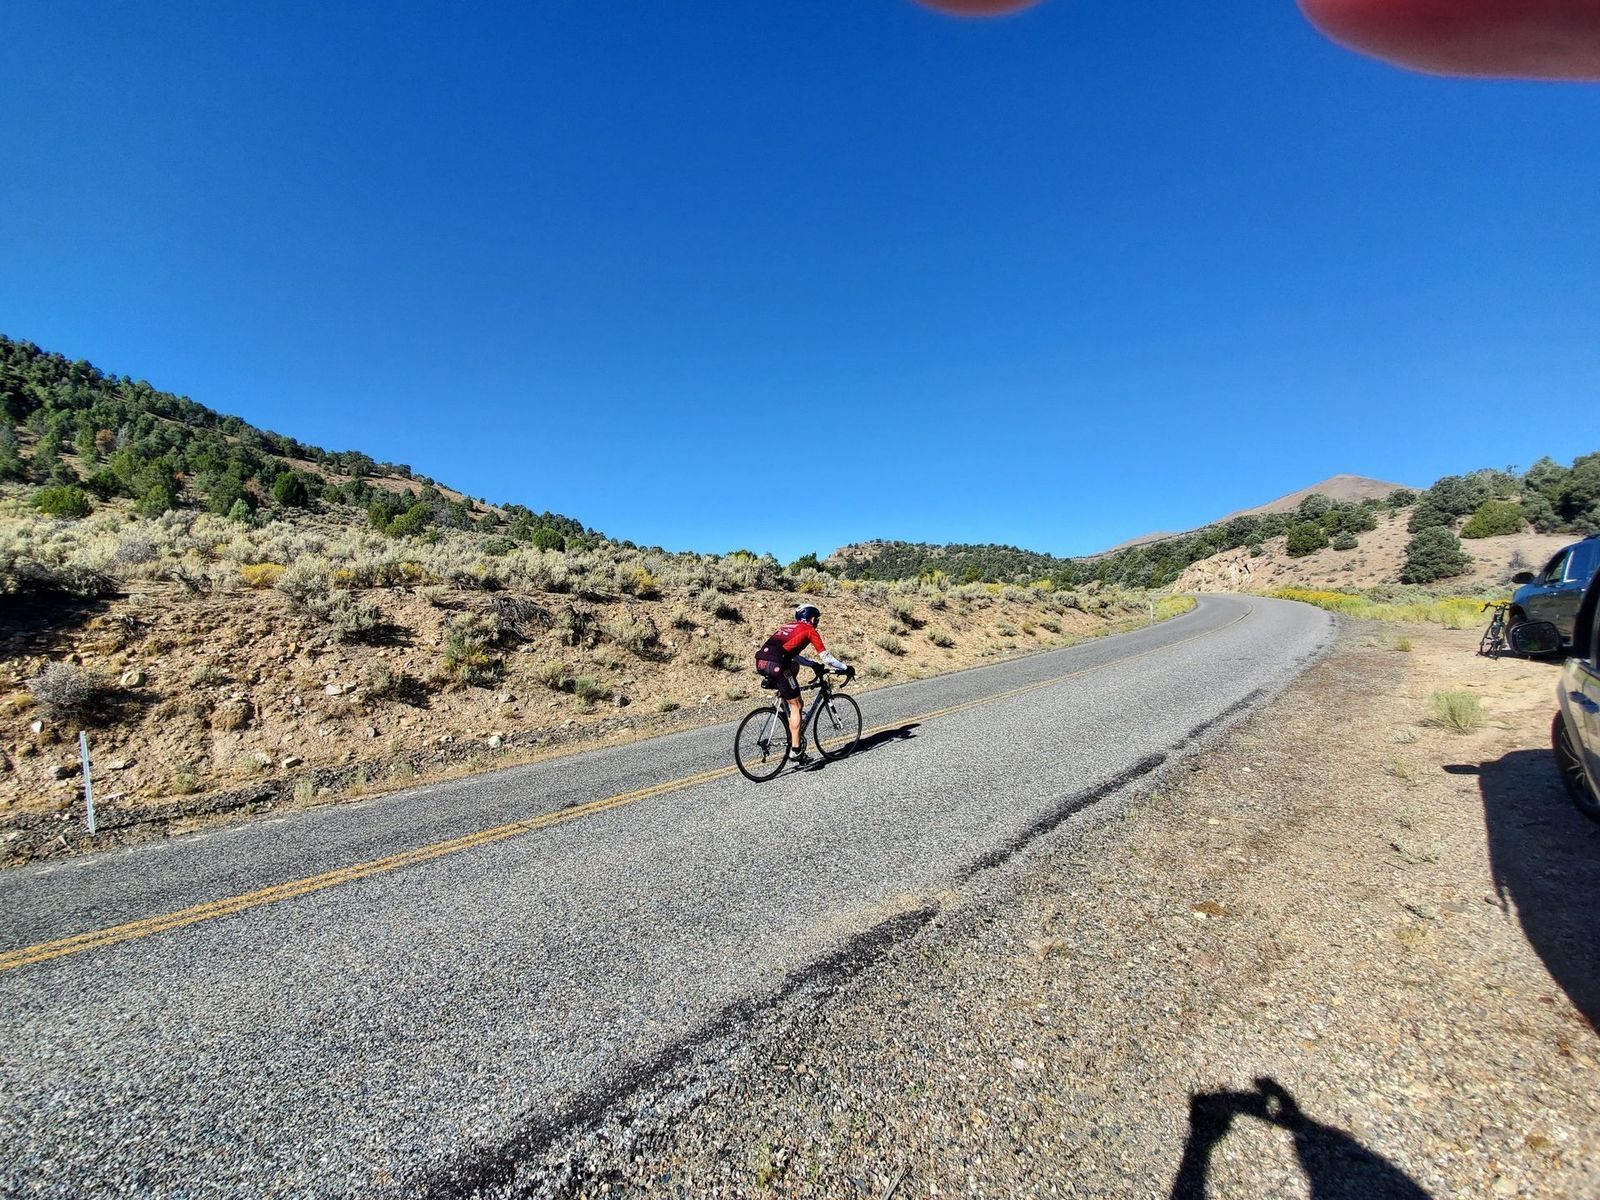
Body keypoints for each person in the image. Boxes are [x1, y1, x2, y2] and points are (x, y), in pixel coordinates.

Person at [755, 604, 853, 765]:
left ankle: (785, 698)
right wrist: (845, 668)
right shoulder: (809, 630)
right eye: (817, 620)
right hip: (777, 665)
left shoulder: (788, 626)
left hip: (761, 662)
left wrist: (812, 665)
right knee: (798, 705)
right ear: (812, 618)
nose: (817, 623)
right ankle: (796, 751)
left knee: (793, 666)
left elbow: (793, 656)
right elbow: (826, 657)